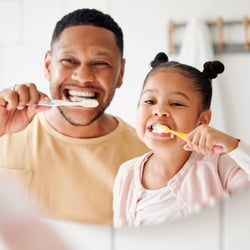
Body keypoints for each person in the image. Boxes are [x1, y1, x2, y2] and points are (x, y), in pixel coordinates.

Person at [0, 8, 149, 225]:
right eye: (69, 61)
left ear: (121, 73)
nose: (83, 77)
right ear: (48, 66)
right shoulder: (4, 134)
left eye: (100, 63)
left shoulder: (146, 158)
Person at [113, 52, 250, 227]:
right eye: (149, 101)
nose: (159, 110)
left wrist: (233, 146)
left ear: (203, 120)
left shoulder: (221, 168)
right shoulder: (127, 174)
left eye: (176, 103)